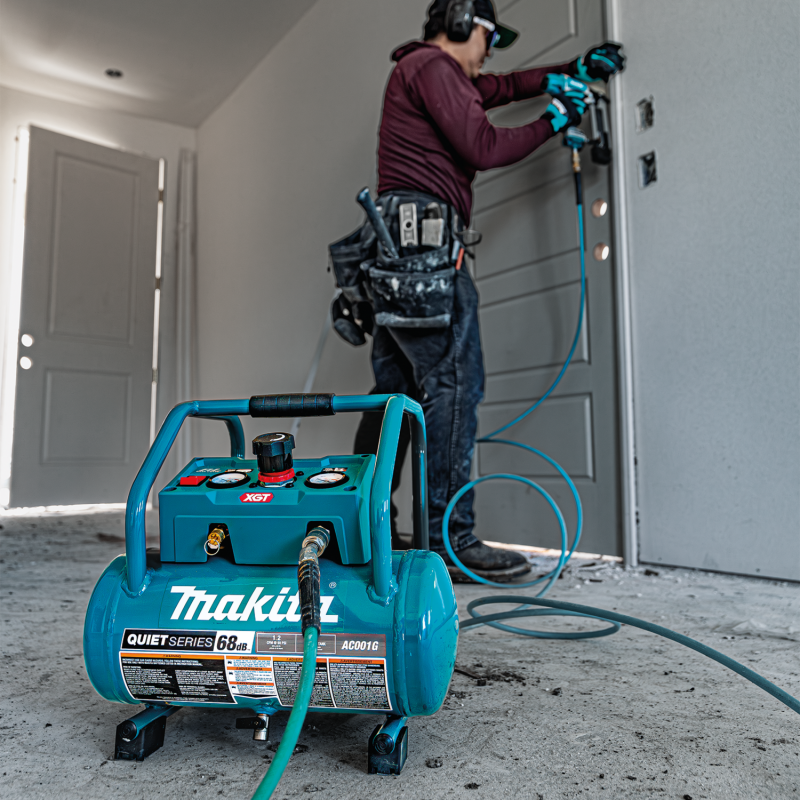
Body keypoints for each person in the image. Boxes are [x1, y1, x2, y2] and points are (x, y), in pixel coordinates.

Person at [337, 0, 625, 582]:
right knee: (452, 385)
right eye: (489, 38)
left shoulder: (429, 74)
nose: (489, 53)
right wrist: (555, 118)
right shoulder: (432, 66)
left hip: (400, 253)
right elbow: (484, 148)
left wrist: (570, 70)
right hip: (423, 253)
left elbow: (504, 86)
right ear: (462, 22)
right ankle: (450, 539)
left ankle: (365, 528)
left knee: (394, 394)